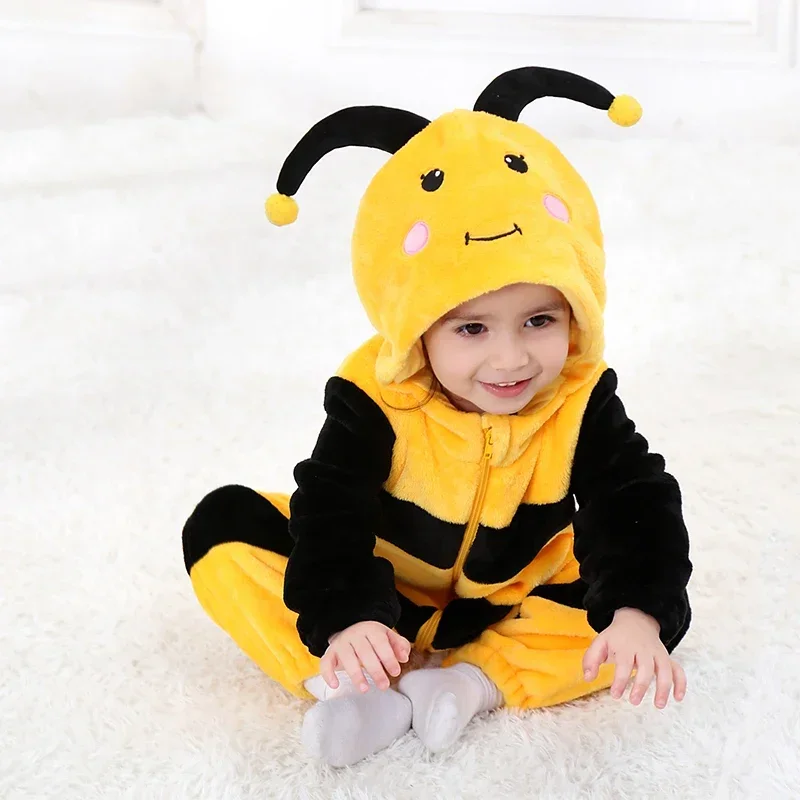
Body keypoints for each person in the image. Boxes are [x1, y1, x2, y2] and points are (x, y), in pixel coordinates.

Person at [181, 66, 692, 768]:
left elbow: (633, 498)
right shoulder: (375, 395)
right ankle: (354, 686)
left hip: (509, 595)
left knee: (644, 612)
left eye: (540, 320)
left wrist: (635, 612)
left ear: (577, 308)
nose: (511, 359)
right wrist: (346, 618)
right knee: (224, 528)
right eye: (471, 329)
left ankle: (472, 681)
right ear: (416, 326)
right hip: (382, 591)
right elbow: (331, 507)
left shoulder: (579, 395)